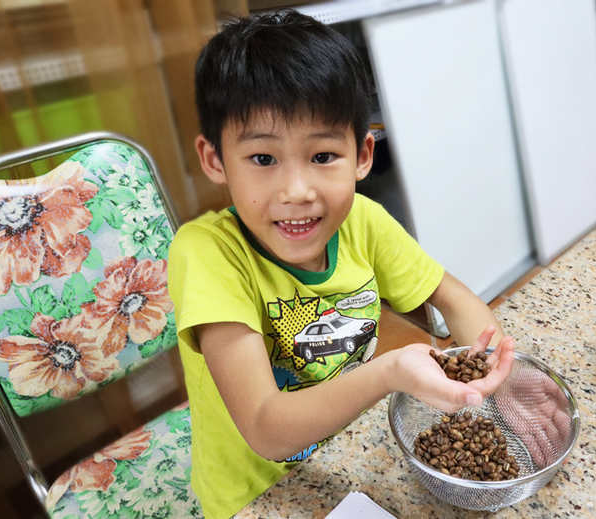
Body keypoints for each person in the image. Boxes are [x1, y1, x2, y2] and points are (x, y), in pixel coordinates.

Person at [167, 10, 516, 518]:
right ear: (215, 160)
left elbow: (454, 299)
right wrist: (389, 372)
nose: (297, 192)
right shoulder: (207, 254)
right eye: (263, 159)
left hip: (346, 456)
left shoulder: (364, 222)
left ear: (362, 154)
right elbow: (265, 427)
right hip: (256, 494)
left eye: (323, 156)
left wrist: (490, 379)